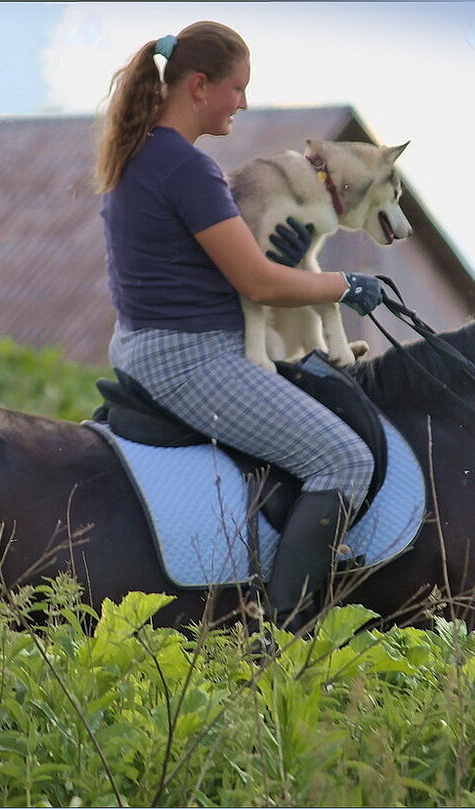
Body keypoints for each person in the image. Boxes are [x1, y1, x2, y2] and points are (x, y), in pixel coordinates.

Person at [95, 21, 385, 632]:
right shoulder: (187, 168)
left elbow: (215, 267)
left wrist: (276, 261)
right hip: (193, 360)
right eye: (238, 87)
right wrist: (344, 286)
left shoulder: (139, 153)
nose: (244, 102)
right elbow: (257, 284)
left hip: (143, 348)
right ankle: (274, 638)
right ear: (199, 86)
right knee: (344, 461)